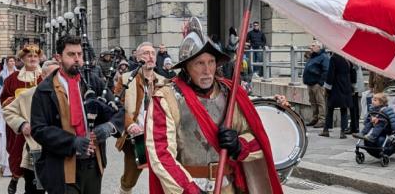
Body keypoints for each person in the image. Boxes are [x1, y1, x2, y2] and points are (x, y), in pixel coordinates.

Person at [145, 20, 282, 193]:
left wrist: (239, 145)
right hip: (187, 187)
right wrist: (190, 190)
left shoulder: (231, 94)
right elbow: (161, 154)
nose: (207, 70)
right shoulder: (166, 98)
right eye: (199, 63)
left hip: (228, 186)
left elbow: (257, 136)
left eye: (211, 62)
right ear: (186, 67)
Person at [30, 35, 124, 194]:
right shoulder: (45, 90)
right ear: (58, 57)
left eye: (79, 54)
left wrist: (110, 127)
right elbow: (39, 129)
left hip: (93, 165)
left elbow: (119, 110)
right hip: (62, 167)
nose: (77, 59)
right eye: (71, 54)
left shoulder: (94, 82)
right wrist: (72, 142)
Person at [114, 42, 165, 194]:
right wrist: (130, 125)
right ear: (137, 57)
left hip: (158, 137)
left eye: (152, 53)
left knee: (163, 175)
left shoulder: (163, 82)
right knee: (130, 179)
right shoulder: (125, 79)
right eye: (145, 53)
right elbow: (117, 107)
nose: (150, 56)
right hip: (135, 138)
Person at [3, 60, 60, 193]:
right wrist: (22, 124)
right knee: (34, 190)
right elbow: (8, 110)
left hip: (60, 150)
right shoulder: (29, 94)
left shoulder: (69, 94)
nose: (57, 78)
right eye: (53, 74)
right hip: (36, 150)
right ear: (43, 75)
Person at [0, 45, 43, 194]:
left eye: (35, 56)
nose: (32, 59)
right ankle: (15, 178)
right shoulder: (12, 79)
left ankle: (32, 184)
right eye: (29, 56)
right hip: (21, 123)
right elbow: (4, 99)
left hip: (40, 124)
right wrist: (17, 100)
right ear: (23, 59)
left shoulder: (45, 77)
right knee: (18, 155)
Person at [319, 53, 353, 139]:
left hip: (336, 85)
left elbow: (330, 73)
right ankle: (343, 131)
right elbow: (352, 71)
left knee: (330, 108)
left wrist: (327, 88)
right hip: (346, 85)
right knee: (344, 109)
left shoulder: (334, 58)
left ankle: (326, 130)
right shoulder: (347, 57)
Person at [302, 40, 330, 128]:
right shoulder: (313, 56)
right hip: (310, 83)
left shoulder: (323, 57)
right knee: (313, 102)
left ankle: (322, 120)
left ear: (319, 47)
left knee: (320, 102)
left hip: (317, 84)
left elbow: (326, 70)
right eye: (311, 45)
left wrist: (320, 82)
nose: (311, 47)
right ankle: (315, 118)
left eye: (313, 46)